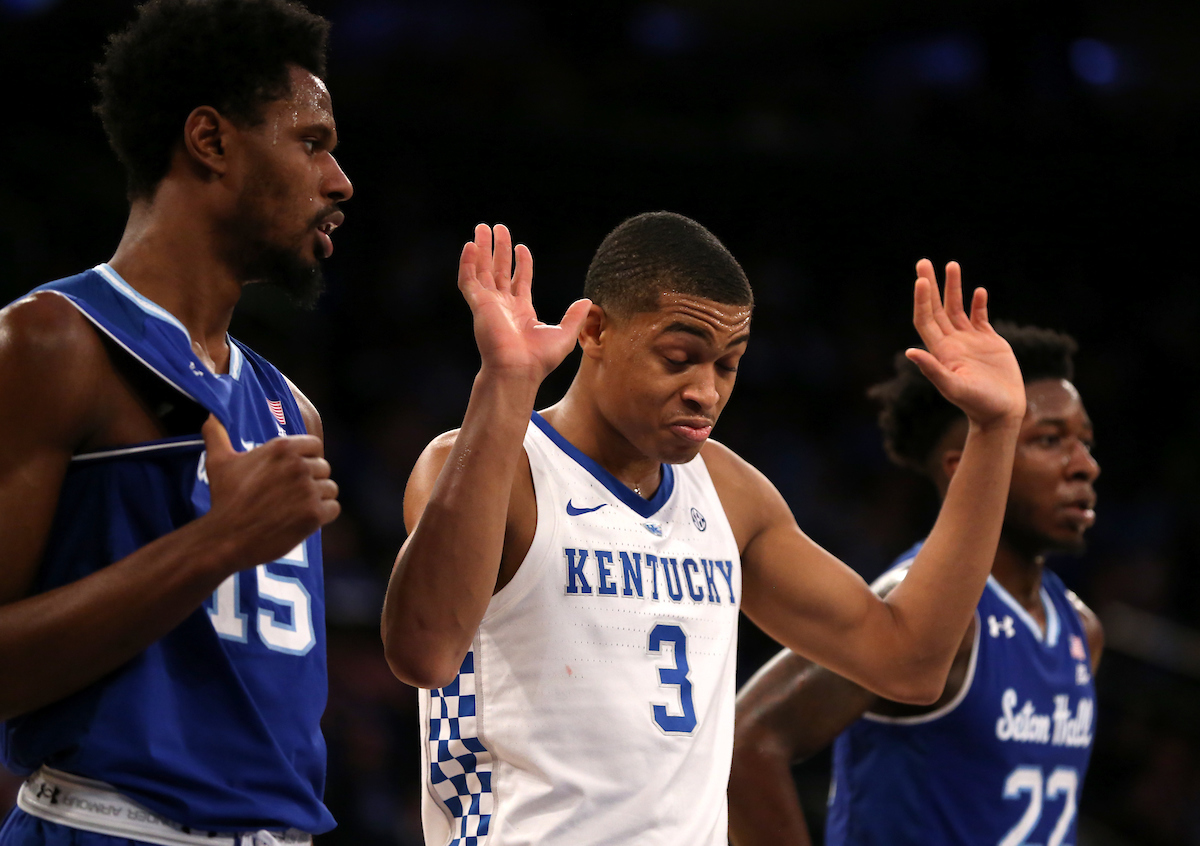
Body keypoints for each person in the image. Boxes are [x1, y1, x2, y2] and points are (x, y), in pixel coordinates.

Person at [382, 211, 1029, 845]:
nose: (706, 392)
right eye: (679, 357)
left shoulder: (729, 492)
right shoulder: (493, 464)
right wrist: (505, 385)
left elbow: (909, 662)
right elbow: (424, 652)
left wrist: (994, 432)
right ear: (596, 331)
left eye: (727, 364)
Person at [0, 1, 349, 844]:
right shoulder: (51, 343)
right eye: (311, 141)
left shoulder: (288, 407)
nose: (339, 180)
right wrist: (217, 544)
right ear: (212, 140)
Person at [728, 324, 1103, 846]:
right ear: (968, 468)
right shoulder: (913, 610)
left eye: (1084, 441)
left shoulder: (1081, 631)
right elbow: (747, 741)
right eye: (1050, 440)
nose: (1084, 466)